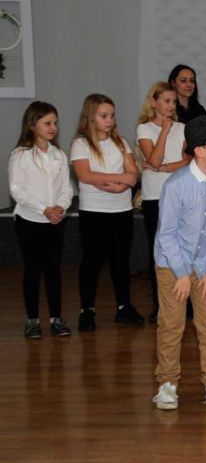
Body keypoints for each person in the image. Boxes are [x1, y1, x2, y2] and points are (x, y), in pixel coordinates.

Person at [152, 115, 206, 410]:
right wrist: (181, 273)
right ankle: (167, 383)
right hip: (172, 262)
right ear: (200, 150)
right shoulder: (175, 185)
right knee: (171, 324)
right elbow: (166, 235)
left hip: (205, 264)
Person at [69, 93, 144, 332]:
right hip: (94, 211)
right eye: (104, 116)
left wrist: (118, 185)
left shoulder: (120, 142)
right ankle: (87, 310)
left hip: (121, 210)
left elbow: (132, 174)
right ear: (91, 117)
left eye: (111, 115)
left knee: (120, 261)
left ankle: (124, 307)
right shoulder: (81, 144)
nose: (109, 120)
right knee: (91, 261)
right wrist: (120, 179)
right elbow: (85, 175)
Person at [8, 101, 74, 339]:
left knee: (53, 270)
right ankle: (32, 320)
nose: (53, 128)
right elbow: (17, 190)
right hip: (29, 220)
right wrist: (43, 209)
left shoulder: (59, 155)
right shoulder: (20, 155)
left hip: (54, 221)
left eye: (55, 123)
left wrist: (60, 207)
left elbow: (67, 188)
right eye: (47, 123)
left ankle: (56, 318)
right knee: (33, 270)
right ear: (32, 124)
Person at [136, 81, 190, 322]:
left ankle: (185, 302)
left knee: (183, 248)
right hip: (155, 196)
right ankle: (161, 305)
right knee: (159, 250)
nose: (171, 106)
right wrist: (164, 132)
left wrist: (165, 168)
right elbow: (153, 159)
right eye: (166, 101)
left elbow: (188, 161)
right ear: (154, 102)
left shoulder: (183, 128)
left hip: (180, 193)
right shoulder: (144, 129)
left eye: (174, 102)